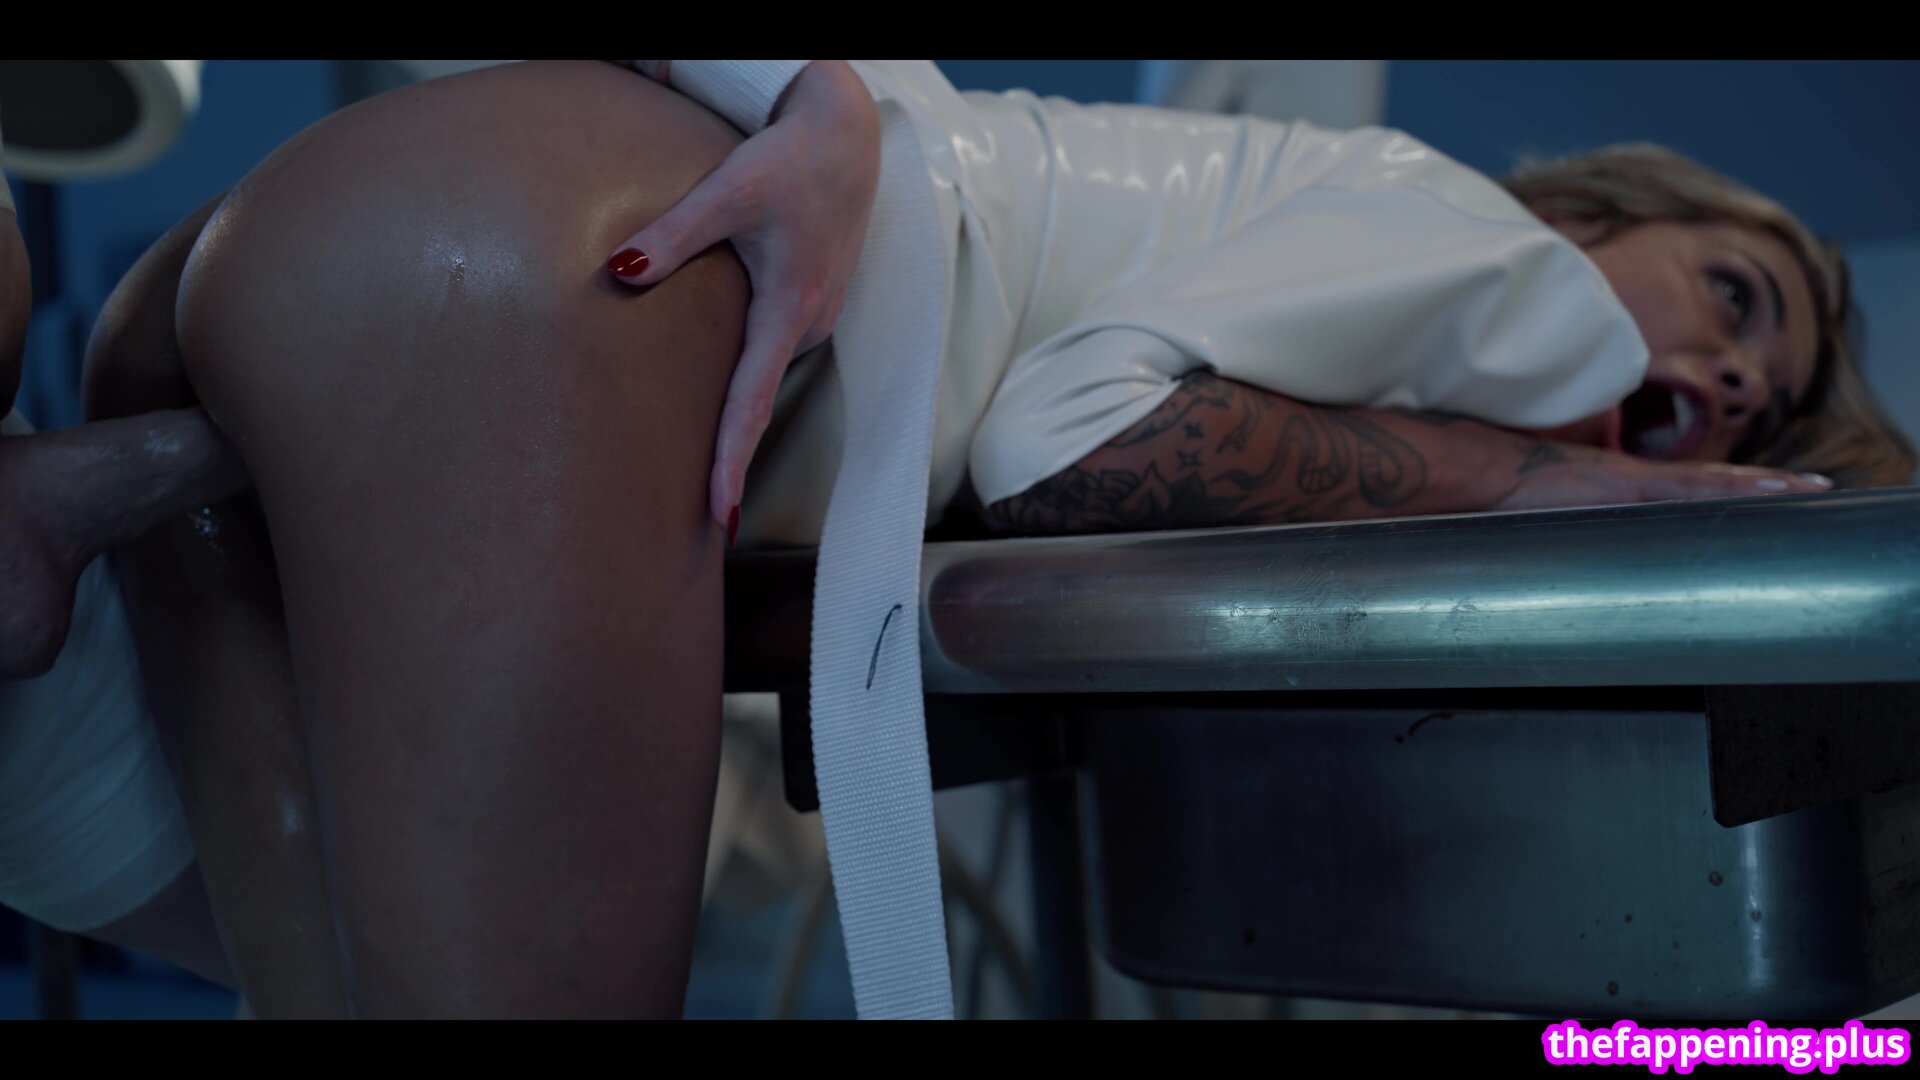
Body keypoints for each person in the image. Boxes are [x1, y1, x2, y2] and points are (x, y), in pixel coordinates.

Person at [11, 58, 1913, 1017]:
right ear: (1616, 215)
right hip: (530, 288)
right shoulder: (1516, 276)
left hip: (303, 253)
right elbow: (1067, 434)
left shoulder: (1328, 246)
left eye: (1766, 400)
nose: (1731, 377)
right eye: (1735, 296)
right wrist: (1526, 477)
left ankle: (77, 502)